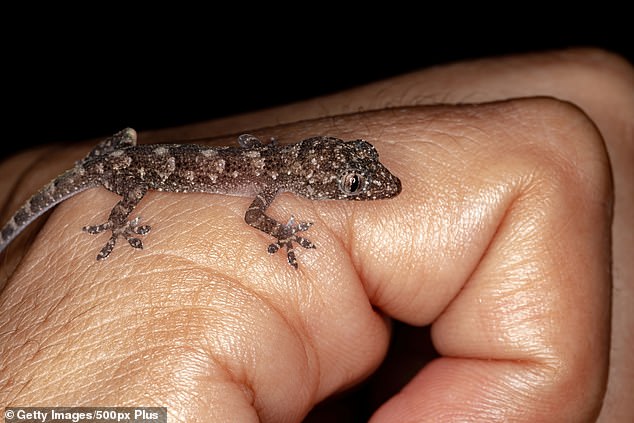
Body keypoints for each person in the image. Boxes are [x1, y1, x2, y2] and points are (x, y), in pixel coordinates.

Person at [0, 48, 631, 422]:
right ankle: (107, 214)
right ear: (325, 186)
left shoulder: (271, 162)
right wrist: (120, 220)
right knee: (123, 173)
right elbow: (253, 218)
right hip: (122, 174)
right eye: (357, 189)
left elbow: (252, 151)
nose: (370, 191)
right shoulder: (269, 180)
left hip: (116, 157)